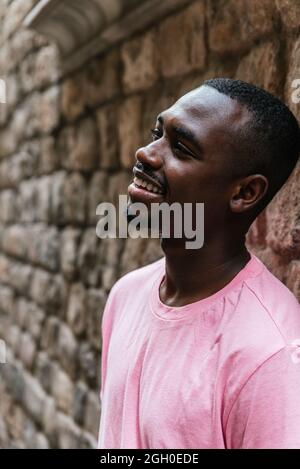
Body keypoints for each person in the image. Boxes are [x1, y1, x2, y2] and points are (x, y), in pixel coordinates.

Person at [97, 78, 300, 449]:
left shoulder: (269, 353)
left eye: (182, 148)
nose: (146, 153)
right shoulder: (126, 296)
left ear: (244, 193)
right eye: (157, 133)